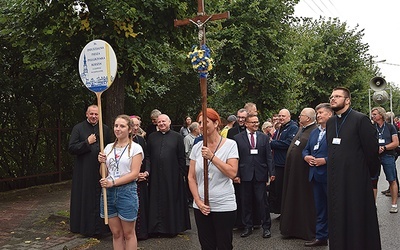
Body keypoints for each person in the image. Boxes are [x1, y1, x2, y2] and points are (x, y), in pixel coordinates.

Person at [326, 87, 381, 249]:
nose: (333, 99)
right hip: (335, 180)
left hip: (356, 180)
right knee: (337, 216)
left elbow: (371, 151)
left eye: (337, 96)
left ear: (347, 100)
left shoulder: (360, 119)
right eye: (331, 96)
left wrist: (368, 176)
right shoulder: (330, 122)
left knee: (356, 217)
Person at [188, 108, 239, 249]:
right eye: (199, 123)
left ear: (216, 124)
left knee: (224, 245)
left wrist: (212, 157)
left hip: (224, 205)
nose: (201, 126)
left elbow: (232, 172)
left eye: (205, 122)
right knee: (207, 245)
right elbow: (191, 177)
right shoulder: (197, 147)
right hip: (201, 206)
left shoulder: (230, 145)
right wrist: (198, 201)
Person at [98, 114, 143, 250]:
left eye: (122, 126)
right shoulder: (108, 148)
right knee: (116, 233)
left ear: (129, 129)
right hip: (109, 193)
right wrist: (102, 162)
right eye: (116, 126)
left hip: (127, 192)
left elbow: (134, 173)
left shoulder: (136, 148)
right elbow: (103, 173)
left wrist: (113, 183)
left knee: (128, 234)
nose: (118, 129)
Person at [68, 104, 111, 237]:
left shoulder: (104, 129)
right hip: (84, 171)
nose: (93, 116)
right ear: (87, 114)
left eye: (96, 114)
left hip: (100, 170)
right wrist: (87, 142)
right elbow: (71, 148)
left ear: (99, 115)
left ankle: (102, 228)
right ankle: (84, 228)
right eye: (91, 114)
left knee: (101, 196)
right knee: (85, 197)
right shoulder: (78, 128)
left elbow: (109, 147)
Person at [146, 114, 191, 236]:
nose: (161, 123)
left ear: (169, 122)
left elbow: (181, 157)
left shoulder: (177, 137)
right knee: (155, 200)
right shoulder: (151, 137)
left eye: (164, 121)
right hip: (155, 175)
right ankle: (156, 228)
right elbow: (148, 156)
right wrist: (148, 171)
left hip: (172, 176)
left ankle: (171, 228)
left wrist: (181, 174)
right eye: (159, 122)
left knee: (171, 200)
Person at [234, 114, 275, 239]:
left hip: (260, 174)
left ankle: (266, 227)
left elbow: (268, 156)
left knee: (262, 202)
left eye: (257, 122)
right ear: (246, 124)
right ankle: (247, 226)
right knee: (245, 202)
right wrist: (236, 175)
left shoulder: (263, 138)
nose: (256, 124)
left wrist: (271, 172)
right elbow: (235, 158)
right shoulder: (237, 138)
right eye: (253, 122)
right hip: (244, 174)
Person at [280, 108, 317, 241]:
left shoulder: (314, 131)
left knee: (303, 202)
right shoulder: (302, 129)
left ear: (308, 118)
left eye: (301, 115)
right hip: (294, 173)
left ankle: (304, 231)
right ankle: (291, 228)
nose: (299, 117)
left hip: (303, 174)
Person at [302, 103, 333, 247]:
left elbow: (342, 153)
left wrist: (325, 160)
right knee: (320, 209)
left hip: (330, 176)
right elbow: (306, 150)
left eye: (321, 112)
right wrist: (306, 157)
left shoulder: (336, 131)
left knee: (333, 208)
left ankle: (338, 238)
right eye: (317, 112)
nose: (318, 115)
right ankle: (321, 237)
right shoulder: (314, 132)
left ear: (330, 114)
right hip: (314, 175)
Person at [269, 109, 298, 215]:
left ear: (289, 117)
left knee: (281, 189)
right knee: (275, 189)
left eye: (283, 116)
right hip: (276, 162)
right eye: (280, 115)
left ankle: (284, 212)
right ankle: (278, 210)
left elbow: (288, 143)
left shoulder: (293, 128)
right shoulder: (280, 128)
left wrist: (272, 143)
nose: (281, 118)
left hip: (283, 164)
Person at [371, 107, 398, 213]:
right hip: (374, 156)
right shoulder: (371, 127)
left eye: (375, 114)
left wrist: (385, 147)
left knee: (392, 179)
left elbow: (396, 143)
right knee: (373, 180)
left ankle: (394, 204)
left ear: (381, 115)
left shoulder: (390, 127)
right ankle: (373, 205)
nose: (373, 116)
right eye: (372, 114)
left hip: (388, 155)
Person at [130, 116, 150, 240]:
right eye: (133, 125)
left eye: (138, 125)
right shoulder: (119, 141)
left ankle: (141, 233)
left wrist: (146, 172)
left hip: (141, 178)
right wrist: (134, 175)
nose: (136, 128)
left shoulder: (140, 140)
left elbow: (147, 157)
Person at [184, 122, 200, 207]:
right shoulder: (187, 138)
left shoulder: (198, 137)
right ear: (195, 129)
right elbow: (186, 151)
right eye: (198, 127)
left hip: (197, 163)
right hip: (189, 163)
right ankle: (190, 199)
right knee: (190, 180)